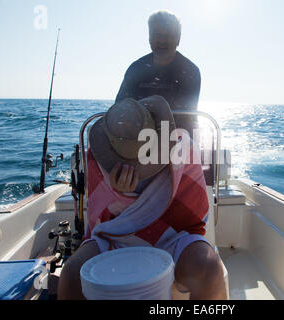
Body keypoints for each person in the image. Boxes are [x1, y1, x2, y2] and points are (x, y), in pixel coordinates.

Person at [57, 96, 227, 300]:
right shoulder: (97, 157)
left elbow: (195, 213)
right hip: (113, 235)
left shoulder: (183, 149)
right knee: (70, 274)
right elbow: (100, 218)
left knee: (209, 269)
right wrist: (118, 193)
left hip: (175, 235)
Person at [115, 10, 200, 138]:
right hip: (136, 139)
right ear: (149, 38)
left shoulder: (190, 71)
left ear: (178, 39)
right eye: (157, 34)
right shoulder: (136, 68)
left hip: (177, 140)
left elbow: (187, 117)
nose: (162, 40)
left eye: (168, 35)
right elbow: (119, 109)